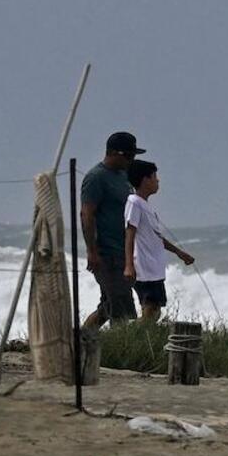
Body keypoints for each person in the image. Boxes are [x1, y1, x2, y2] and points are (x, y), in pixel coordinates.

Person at [80, 131, 144, 330]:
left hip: (124, 252)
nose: (131, 160)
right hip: (107, 253)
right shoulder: (96, 177)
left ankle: (81, 341)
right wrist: (92, 251)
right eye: (129, 156)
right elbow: (87, 215)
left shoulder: (124, 176)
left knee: (108, 306)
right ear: (115, 153)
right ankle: (123, 352)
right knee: (121, 307)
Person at [123, 159, 195, 322]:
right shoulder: (134, 202)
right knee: (150, 309)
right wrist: (128, 265)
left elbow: (156, 237)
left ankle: (135, 335)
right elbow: (130, 233)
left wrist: (179, 252)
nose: (158, 180)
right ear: (144, 179)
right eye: (154, 176)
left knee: (155, 311)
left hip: (154, 268)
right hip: (143, 267)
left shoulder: (145, 205)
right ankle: (132, 336)